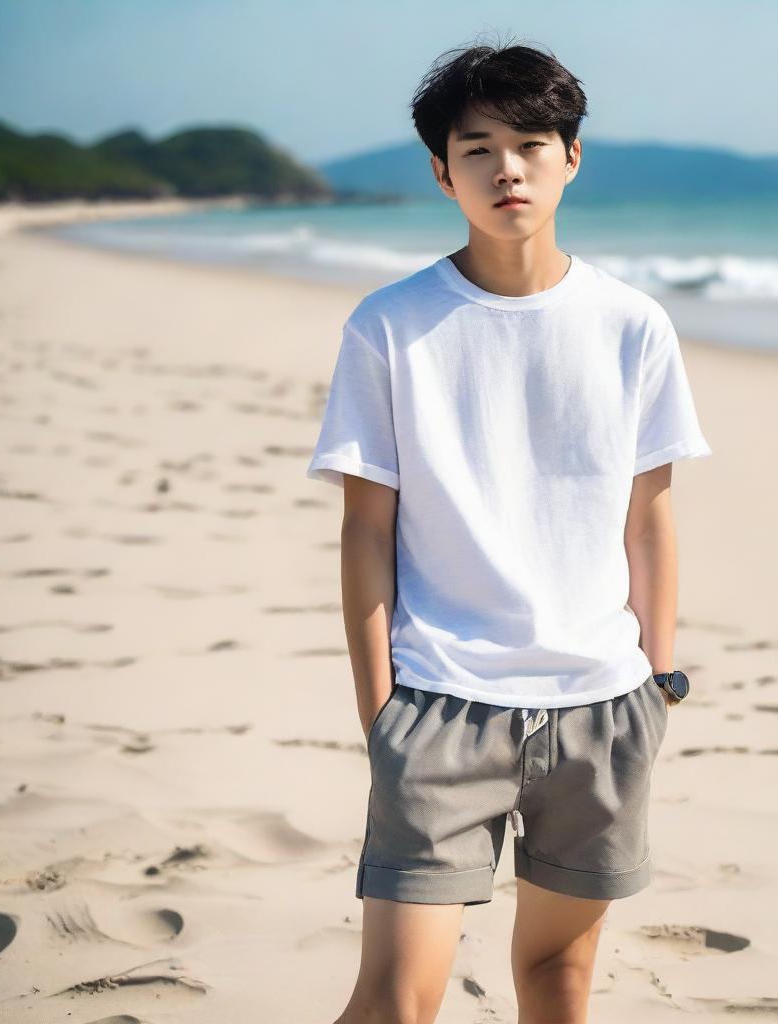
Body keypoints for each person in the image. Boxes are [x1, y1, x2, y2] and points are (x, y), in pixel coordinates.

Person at [307, 36, 712, 1024]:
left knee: (558, 981)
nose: (508, 168)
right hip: (439, 702)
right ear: (442, 172)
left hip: (601, 705)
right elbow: (365, 531)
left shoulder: (632, 325)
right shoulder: (389, 325)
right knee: (399, 996)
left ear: (572, 158)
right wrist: (380, 715)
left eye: (532, 142)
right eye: (477, 147)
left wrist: (654, 682)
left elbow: (648, 521)